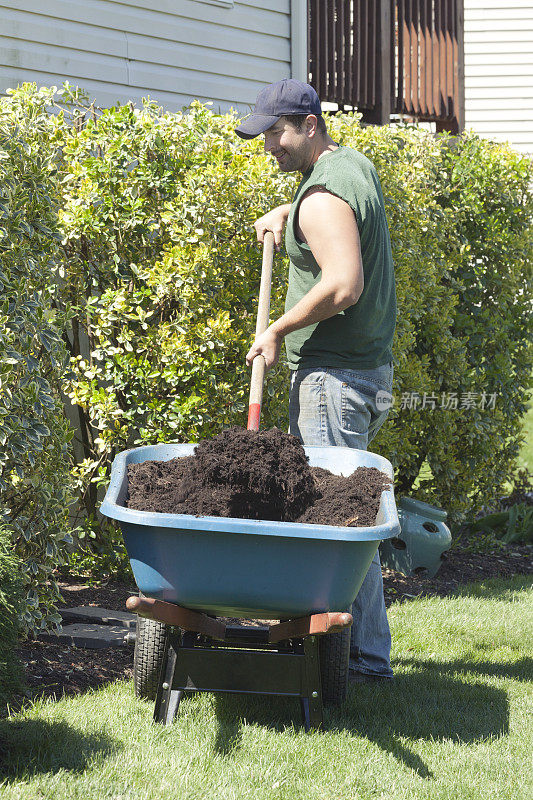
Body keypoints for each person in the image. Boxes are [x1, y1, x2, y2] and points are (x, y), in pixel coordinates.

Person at [235, 79, 396, 681]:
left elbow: (343, 283)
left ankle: (361, 658)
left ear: (307, 123)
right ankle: (362, 651)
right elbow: (330, 212)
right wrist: (289, 210)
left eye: (276, 133)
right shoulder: (348, 166)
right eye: (264, 136)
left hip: (334, 378)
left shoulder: (320, 197)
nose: (270, 146)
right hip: (366, 370)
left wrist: (276, 329)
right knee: (350, 512)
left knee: (341, 523)